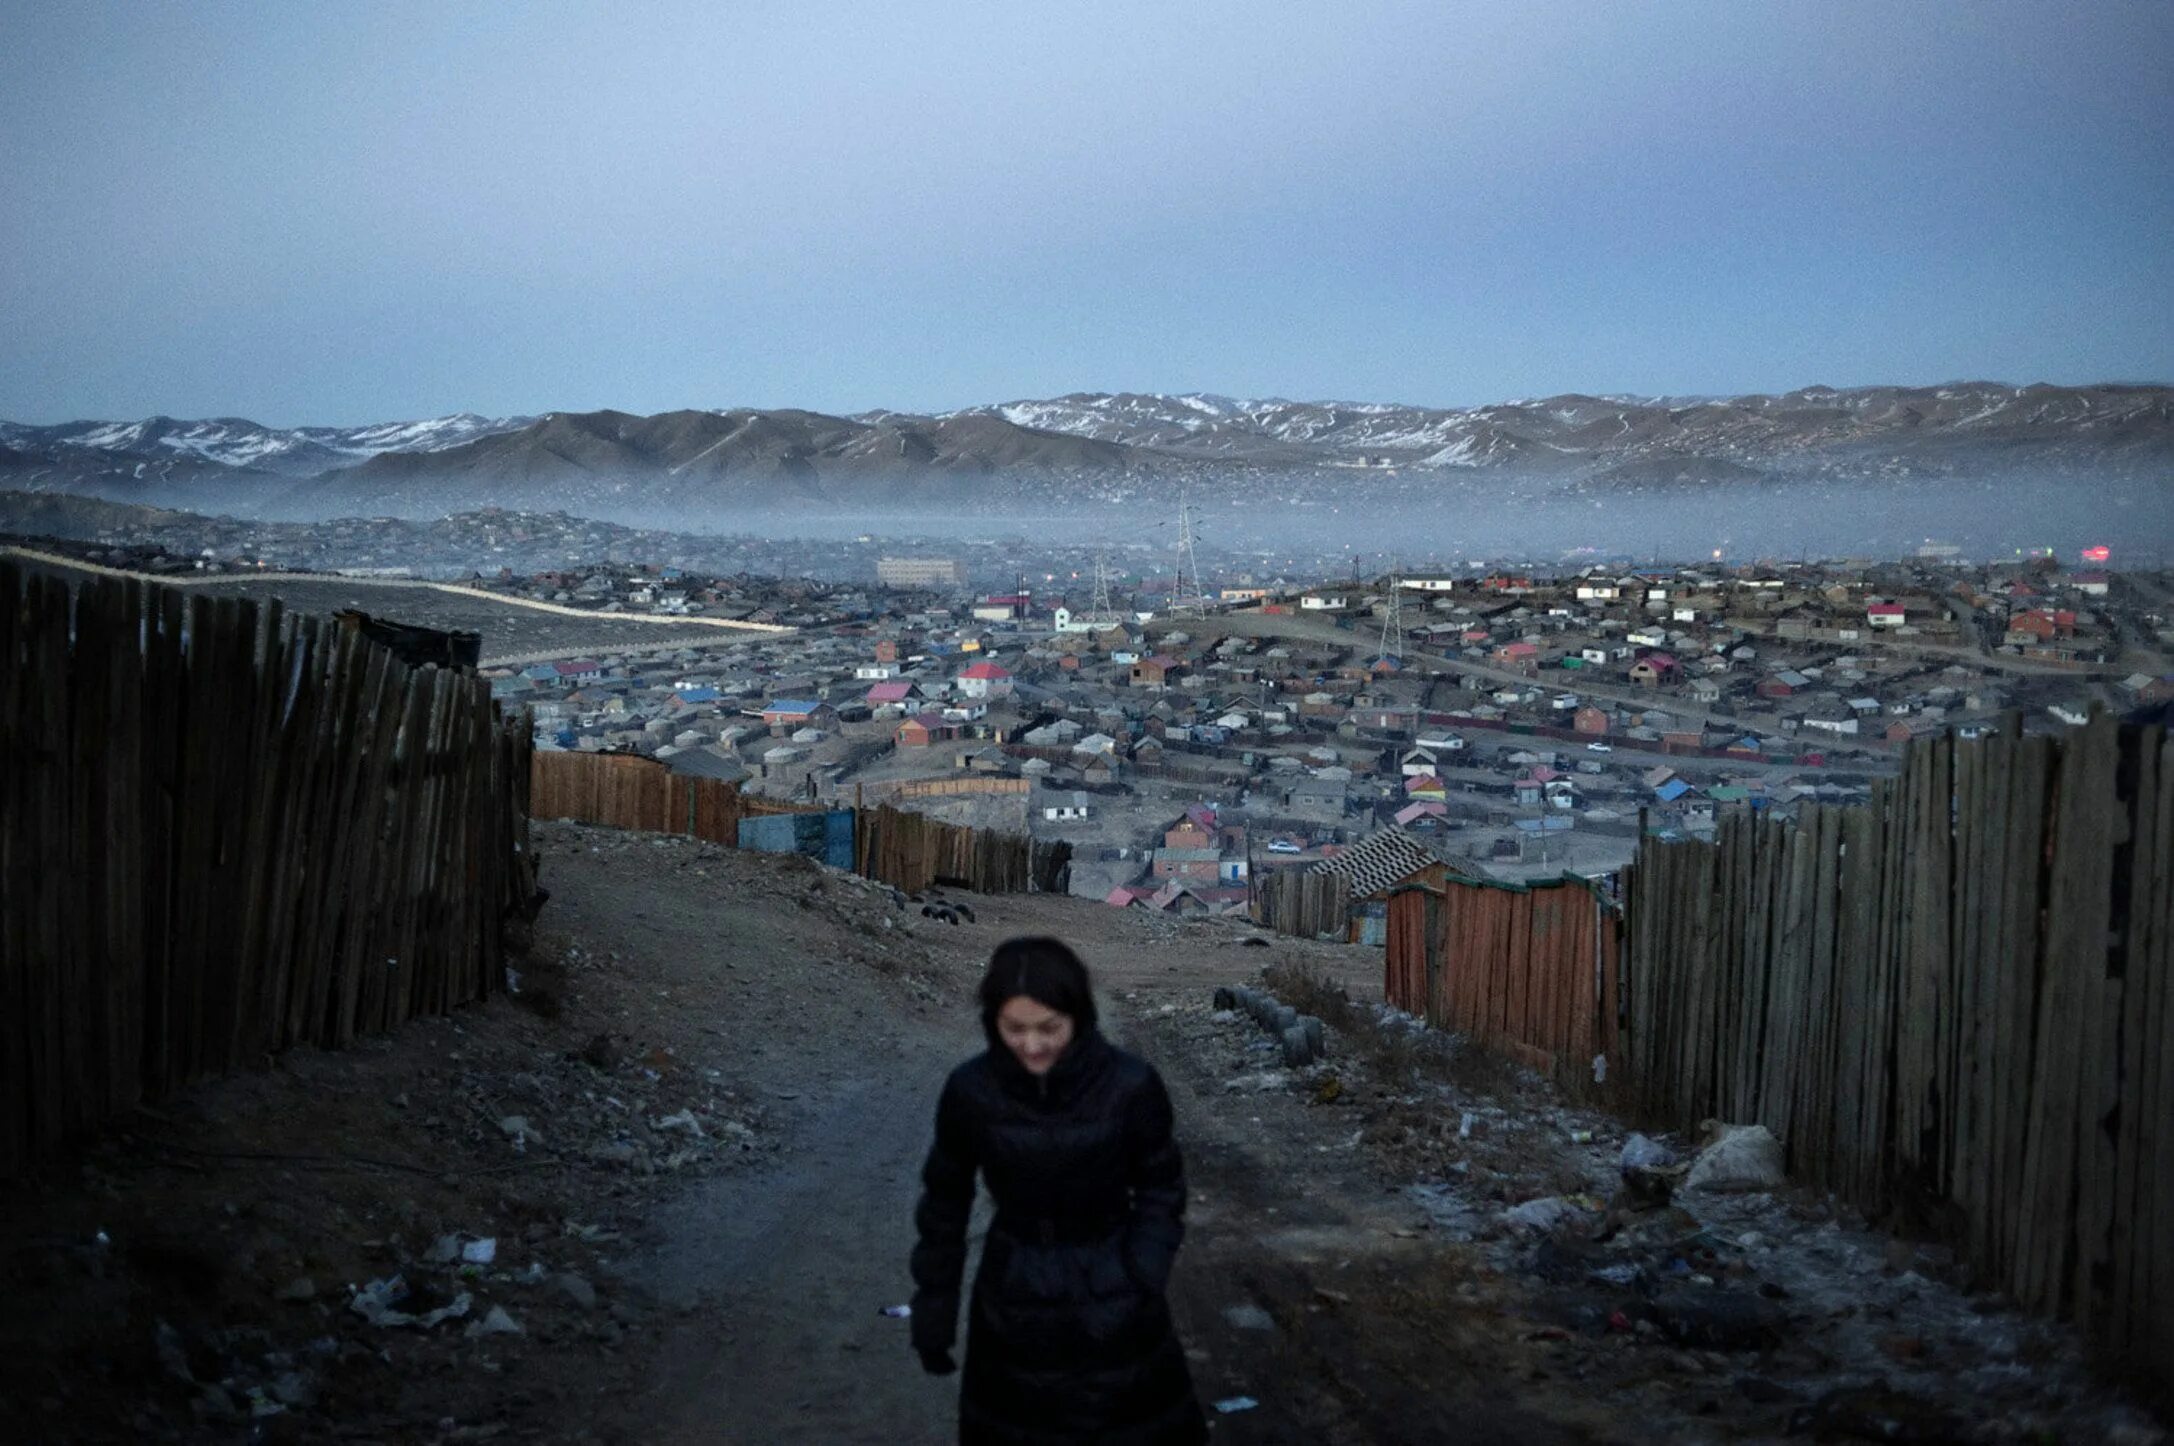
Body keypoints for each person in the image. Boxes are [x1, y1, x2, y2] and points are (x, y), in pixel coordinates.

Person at [909, 936, 1207, 1445]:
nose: (1032, 1045)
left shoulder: (1130, 1086)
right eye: (1014, 1029)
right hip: (1013, 1295)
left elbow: (1162, 1188)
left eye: (1049, 1028)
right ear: (992, 1022)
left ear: (1079, 1016)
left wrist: (1141, 1274)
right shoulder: (971, 1091)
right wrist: (934, 1314)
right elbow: (945, 1205)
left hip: (1115, 1289)